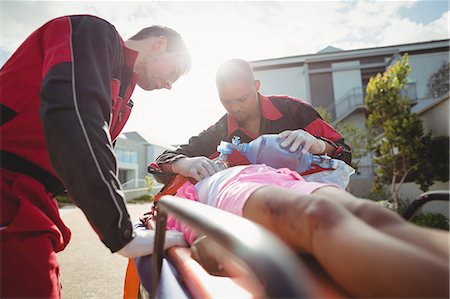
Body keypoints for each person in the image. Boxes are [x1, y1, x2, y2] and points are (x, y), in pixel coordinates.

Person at [0, 15, 189, 298]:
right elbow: (76, 119)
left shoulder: (125, 95)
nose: (169, 85)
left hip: (33, 194)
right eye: (173, 71)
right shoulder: (94, 33)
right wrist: (121, 231)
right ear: (160, 44)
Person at [166, 164, 449, 298]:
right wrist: (207, 237)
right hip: (230, 192)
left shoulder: (262, 159)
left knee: (372, 214)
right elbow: (183, 220)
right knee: (318, 218)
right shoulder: (191, 186)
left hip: (284, 178)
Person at [150, 58, 351, 183]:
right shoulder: (219, 132)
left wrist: (318, 144)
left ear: (256, 85)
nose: (235, 108)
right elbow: (159, 164)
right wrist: (182, 164)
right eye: (226, 101)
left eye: (242, 98)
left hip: (311, 197)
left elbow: (345, 153)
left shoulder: (294, 111)